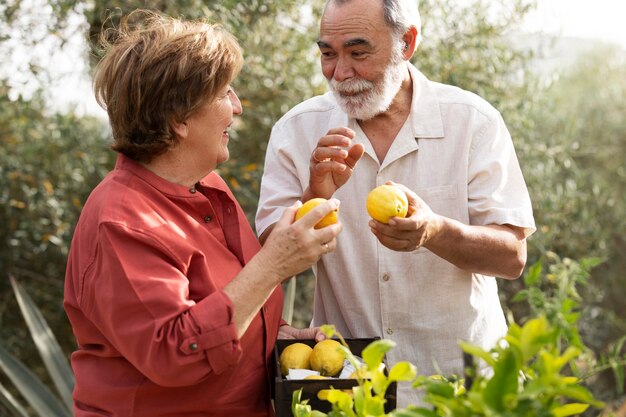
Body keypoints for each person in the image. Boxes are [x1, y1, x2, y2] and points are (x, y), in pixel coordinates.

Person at [255, 0, 535, 407]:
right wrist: (315, 196)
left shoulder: (473, 122)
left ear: (408, 42)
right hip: (351, 388)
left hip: (464, 389)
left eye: (358, 52)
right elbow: (269, 262)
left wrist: (435, 231)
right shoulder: (296, 131)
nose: (341, 72)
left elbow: (511, 258)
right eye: (328, 54)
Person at [63, 9, 342, 417]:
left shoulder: (208, 188)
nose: (238, 107)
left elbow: (225, 304)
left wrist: (278, 335)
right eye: (224, 93)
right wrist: (273, 264)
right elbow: (176, 352)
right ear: (179, 118)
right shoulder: (121, 221)